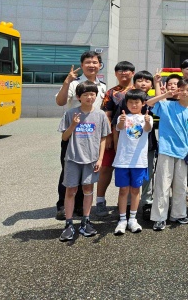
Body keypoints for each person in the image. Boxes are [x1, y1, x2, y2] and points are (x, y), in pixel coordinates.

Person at [54, 51, 107, 220]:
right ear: (82, 65)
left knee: (88, 170)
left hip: (91, 136)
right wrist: (66, 82)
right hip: (73, 134)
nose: (92, 65)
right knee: (68, 170)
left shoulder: (102, 86)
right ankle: (63, 205)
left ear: (99, 65)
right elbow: (60, 102)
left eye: (95, 62)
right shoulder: (73, 83)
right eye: (88, 62)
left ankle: (79, 206)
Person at [58, 81, 110, 241]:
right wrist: (73, 125)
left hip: (92, 159)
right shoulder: (70, 113)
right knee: (71, 190)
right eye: (85, 94)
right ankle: (68, 224)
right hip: (73, 158)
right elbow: (64, 137)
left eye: (92, 94)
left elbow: (103, 138)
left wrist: (100, 159)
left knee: (88, 189)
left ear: (96, 96)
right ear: (78, 97)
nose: (89, 97)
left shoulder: (100, 115)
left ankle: (85, 221)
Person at [147, 76, 188, 230]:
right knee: (162, 184)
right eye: (181, 89)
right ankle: (159, 217)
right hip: (166, 150)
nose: (184, 92)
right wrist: (164, 93)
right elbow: (149, 103)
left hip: (183, 153)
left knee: (180, 185)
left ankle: (178, 214)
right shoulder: (167, 105)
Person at [111, 70, 157, 220]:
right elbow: (117, 126)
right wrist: (116, 145)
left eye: (147, 81)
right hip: (126, 150)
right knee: (126, 185)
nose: (143, 83)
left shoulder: (150, 102)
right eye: (140, 80)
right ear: (134, 83)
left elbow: (149, 126)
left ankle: (146, 204)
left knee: (146, 178)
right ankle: (127, 208)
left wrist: (158, 85)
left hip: (147, 147)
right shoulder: (125, 102)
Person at [95, 60, 135, 218]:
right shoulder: (111, 93)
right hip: (114, 136)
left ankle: (124, 203)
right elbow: (107, 115)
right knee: (106, 168)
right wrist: (109, 136)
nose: (123, 73)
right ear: (115, 74)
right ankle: (100, 201)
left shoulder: (137, 91)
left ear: (133, 73)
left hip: (132, 139)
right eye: (120, 70)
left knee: (129, 171)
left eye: (127, 70)